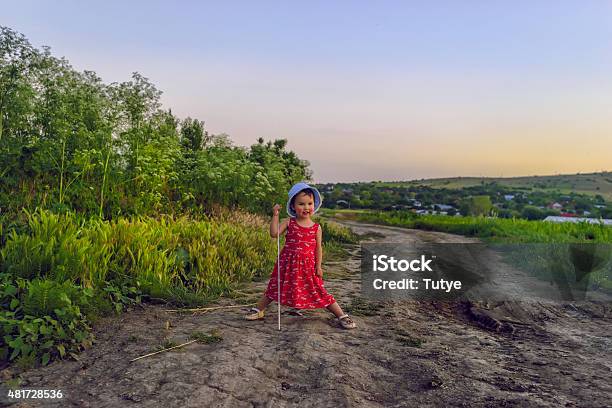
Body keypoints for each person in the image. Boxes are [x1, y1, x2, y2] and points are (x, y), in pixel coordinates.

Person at [244, 182, 356, 329]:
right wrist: (275, 215)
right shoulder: (289, 222)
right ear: (293, 206)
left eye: (309, 203)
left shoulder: (316, 227)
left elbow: (318, 249)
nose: (306, 207)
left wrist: (319, 266)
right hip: (287, 264)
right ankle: (258, 310)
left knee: (318, 291)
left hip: (308, 266)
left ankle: (342, 315)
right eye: (301, 204)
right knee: (275, 287)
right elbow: (274, 233)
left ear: (314, 205)